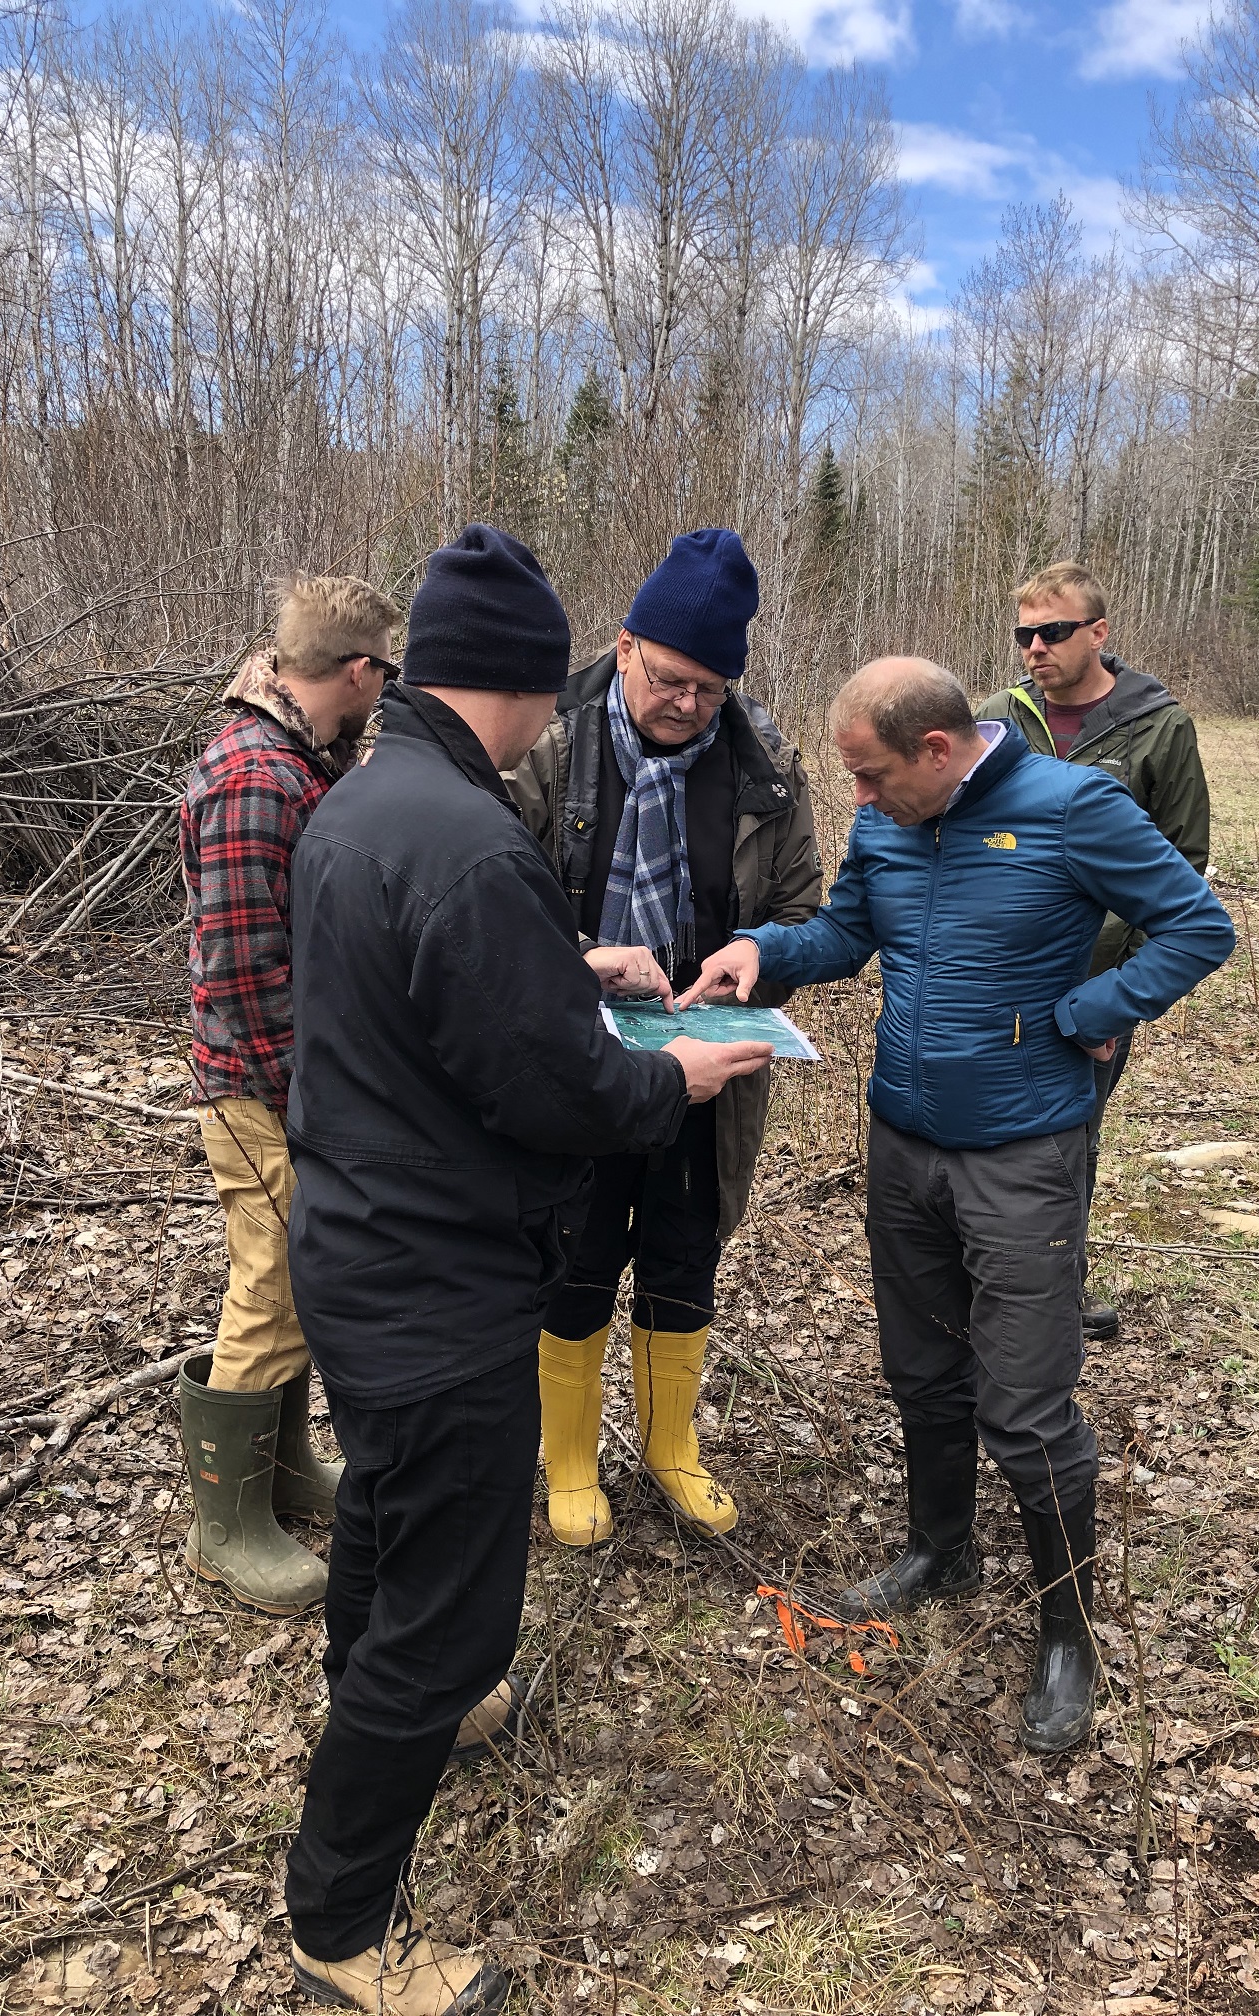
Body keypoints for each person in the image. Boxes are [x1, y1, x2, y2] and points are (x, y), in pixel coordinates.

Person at [281, 525, 772, 2015]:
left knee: (387, 1506)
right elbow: (554, 1093)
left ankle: (383, 1692)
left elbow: (440, 997)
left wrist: (571, 964)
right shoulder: (475, 834)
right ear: (505, 682)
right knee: (454, 1606)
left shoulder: (372, 802)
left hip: (355, 1247)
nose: (562, 713)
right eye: (546, 689)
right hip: (439, 1279)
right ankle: (342, 1929)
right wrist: (671, 1082)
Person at [681, 657, 1234, 1755]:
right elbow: (847, 932)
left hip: (1024, 1149)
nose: (859, 800)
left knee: (1026, 1404)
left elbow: (1195, 924)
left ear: (938, 750)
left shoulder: (1075, 808)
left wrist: (1098, 1005)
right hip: (905, 1140)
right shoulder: (892, 821)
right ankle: (943, 1547)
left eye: (873, 775)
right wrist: (763, 947)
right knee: (924, 1369)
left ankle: (1067, 1630)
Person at [508, 529, 821, 1548]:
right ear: (624, 642)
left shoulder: (768, 764)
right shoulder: (544, 744)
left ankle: (669, 1450)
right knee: (579, 1251)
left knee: (686, 1256)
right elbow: (486, 909)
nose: (688, 702)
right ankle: (567, 1462)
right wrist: (581, 960)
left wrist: (756, 951)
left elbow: (808, 908)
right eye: (670, 678)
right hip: (579, 1062)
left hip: (709, 1063)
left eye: (710, 687)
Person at [176, 574, 402, 1615]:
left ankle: (282, 1468)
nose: (384, 691)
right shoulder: (255, 778)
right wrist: (301, 1100)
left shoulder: (296, 756)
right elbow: (242, 970)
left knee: (294, 1280)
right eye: (382, 672)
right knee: (269, 1286)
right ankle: (224, 1526)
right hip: (259, 1088)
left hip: (284, 1082)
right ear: (354, 671)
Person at [977, 563, 1211, 1341]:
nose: (1035, 648)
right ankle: (980, 1283)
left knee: (1069, 1138)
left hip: (1092, 985)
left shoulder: (1158, 727)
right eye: (1024, 634)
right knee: (985, 1132)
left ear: (1099, 633)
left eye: (1053, 632)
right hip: (998, 975)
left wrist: (1120, 992)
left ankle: (1055, 1293)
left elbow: (1183, 870)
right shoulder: (998, 718)